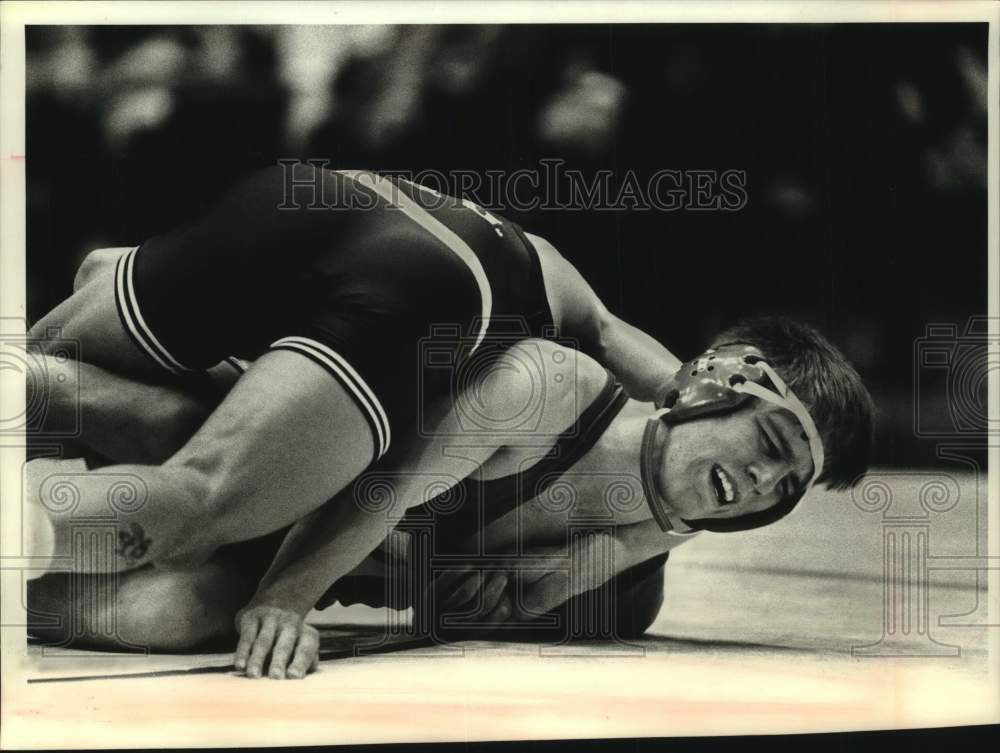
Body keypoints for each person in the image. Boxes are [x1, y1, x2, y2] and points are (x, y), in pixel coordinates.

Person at [28, 316, 873, 680]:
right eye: (769, 447)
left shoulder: (620, 593)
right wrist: (287, 598)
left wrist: (657, 531)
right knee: (159, 428)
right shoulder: (553, 386)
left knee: (167, 616)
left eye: (784, 489)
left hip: (299, 550)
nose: (763, 483)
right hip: (293, 449)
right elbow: (386, 483)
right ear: (712, 387)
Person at [23, 161, 682, 575]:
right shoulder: (537, 382)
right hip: (429, 286)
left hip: (316, 193)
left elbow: (613, 335)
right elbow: (387, 484)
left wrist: (695, 395)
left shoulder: (551, 277)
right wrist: (288, 596)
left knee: (46, 364)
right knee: (203, 498)